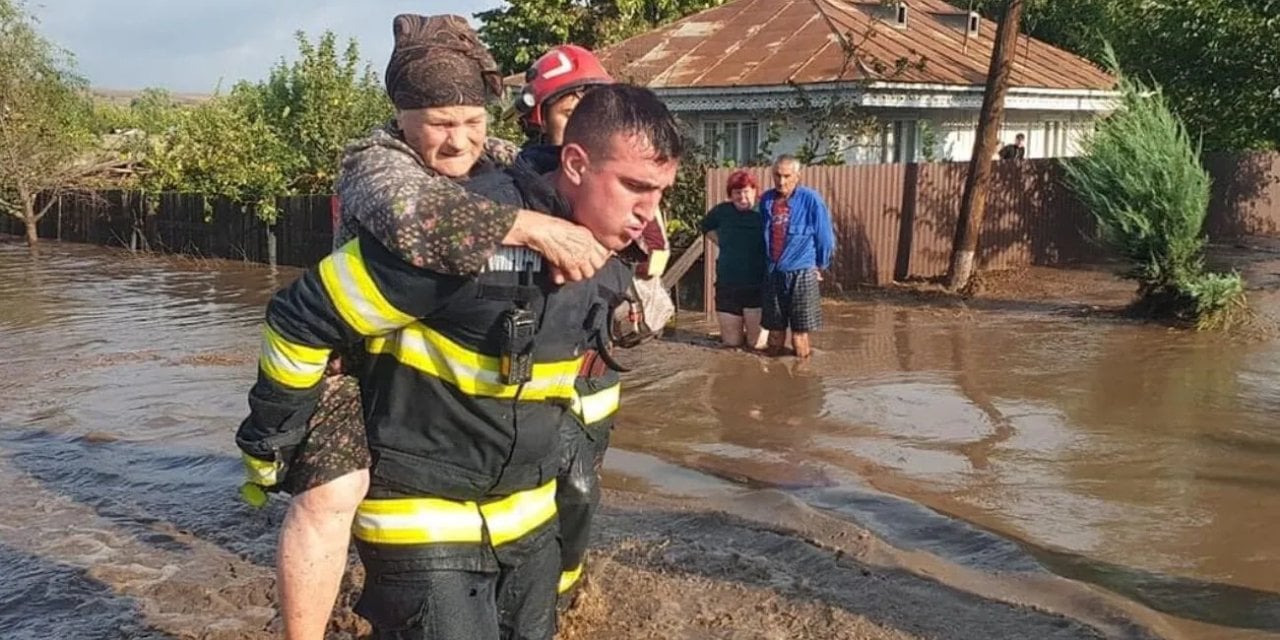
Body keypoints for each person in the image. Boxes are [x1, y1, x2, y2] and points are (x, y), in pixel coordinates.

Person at [237, 79, 682, 640]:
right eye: (634, 187)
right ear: (574, 162)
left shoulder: (615, 251)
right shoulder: (459, 233)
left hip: (527, 517)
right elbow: (300, 320)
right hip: (421, 517)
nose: (650, 212)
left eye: (661, 191)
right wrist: (273, 441)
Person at [760, 155, 835, 359]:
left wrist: (820, 266)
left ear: (797, 176)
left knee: (799, 335)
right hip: (774, 273)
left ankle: (802, 381)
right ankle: (771, 380)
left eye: (786, 176)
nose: (781, 181)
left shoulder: (811, 199)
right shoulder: (766, 200)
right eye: (777, 175)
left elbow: (825, 237)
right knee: (774, 334)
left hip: (802, 273)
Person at [700, 169, 768, 349]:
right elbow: (705, 227)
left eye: (746, 191)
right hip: (728, 285)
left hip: (758, 285)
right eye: (737, 192)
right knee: (731, 345)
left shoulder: (765, 211)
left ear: (754, 191)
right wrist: (723, 243)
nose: (742, 196)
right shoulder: (721, 211)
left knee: (757, 346)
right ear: (730, 194)